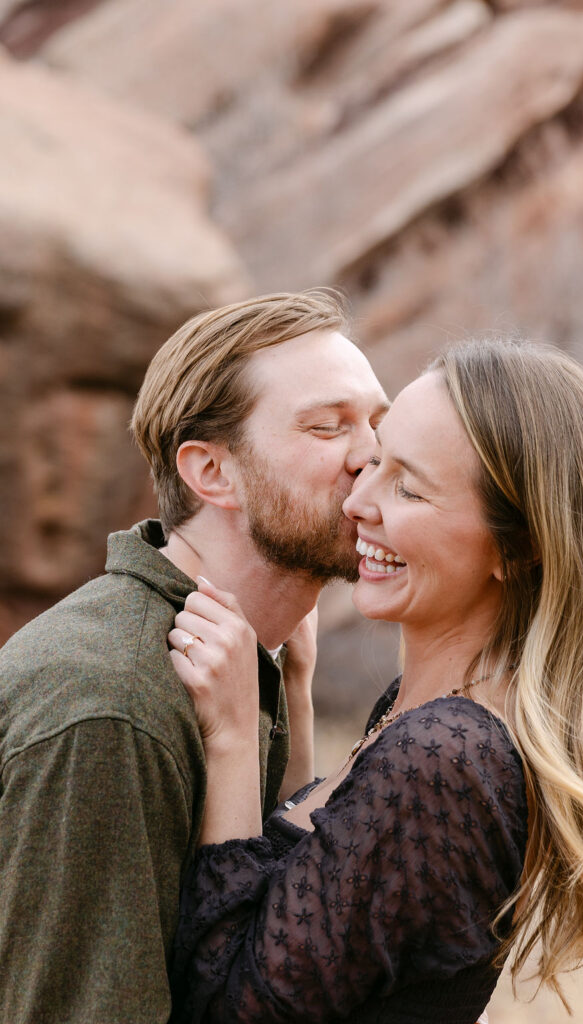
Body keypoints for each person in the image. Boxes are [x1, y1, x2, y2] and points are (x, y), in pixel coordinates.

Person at [169, 339, 583, 1024]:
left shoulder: (442, 759)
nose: (358, 502)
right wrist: (294, 696)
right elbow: (318, 911)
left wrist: (230, 740)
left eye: (406, 486)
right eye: (374, 462)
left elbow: (232, 1008)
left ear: (517, 547)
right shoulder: (428, 713)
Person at [0, 290, 388, 1024]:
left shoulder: (235, 665)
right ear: (212, 473)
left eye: (377, 422)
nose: (371, 454)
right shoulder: (110, 703)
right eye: (326, 426)